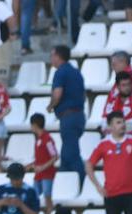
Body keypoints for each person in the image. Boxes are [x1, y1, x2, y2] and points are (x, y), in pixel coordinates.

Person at [49, 45, 85, 177]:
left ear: (58, 56)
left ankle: (83, 181)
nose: (51, 59)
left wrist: (51, 106)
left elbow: (58, 94)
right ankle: (64, 182)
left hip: (68, 117)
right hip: (78, 116)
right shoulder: (76, 72)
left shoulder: (60, 72)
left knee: (71, 155)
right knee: (67, 154)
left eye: (52, 56)